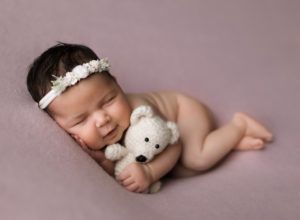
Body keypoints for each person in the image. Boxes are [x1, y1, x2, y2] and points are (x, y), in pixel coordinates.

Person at [26, 42, 273, 193]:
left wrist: (151, 173)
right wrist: (100, 158)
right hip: (157, 142)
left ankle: (239, 125)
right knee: (181, 172)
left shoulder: (139, 113)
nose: (102, 119)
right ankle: (228, 144)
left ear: (118, 85)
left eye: (109, 100)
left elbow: (174, 146)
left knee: (194, 160)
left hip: (182, 114)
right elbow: (119, 163)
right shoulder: (101, 128)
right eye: (81, 121)